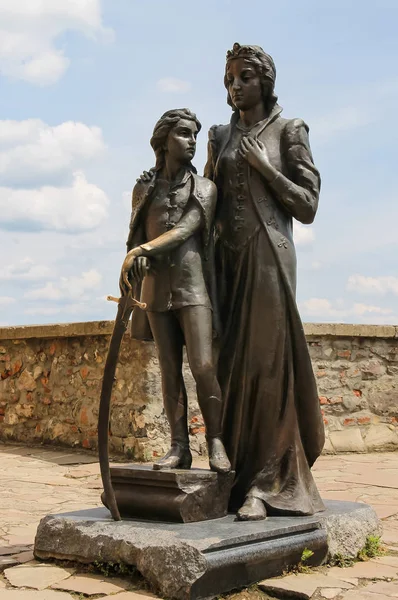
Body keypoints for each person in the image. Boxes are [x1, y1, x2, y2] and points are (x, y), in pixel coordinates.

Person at [203, 43, 325, 520]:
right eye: (230, 78)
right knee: (229, 369)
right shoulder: (218, 134)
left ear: (266, 80)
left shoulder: (289, 129)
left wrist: (266, 168)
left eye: (245, 77)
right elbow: (206, 200)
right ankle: (231, 476)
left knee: (269, 369)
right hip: (225, 264)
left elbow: (308, 206)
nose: (236, 86)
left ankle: (268, 484)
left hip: (267, 258)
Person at [120, 108, 231, 474]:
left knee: (202, 365)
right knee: (169, 371)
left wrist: (142, 250)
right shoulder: (144, 187)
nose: (192, 142)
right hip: (156, 291)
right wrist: (137, 258)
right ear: (164, 140)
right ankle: (179, 447)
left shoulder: (205, 188)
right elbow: (135, 236)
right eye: (184, 134)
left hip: (193, 286)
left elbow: (188, 228)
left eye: (195, 135)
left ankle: (215, 441)